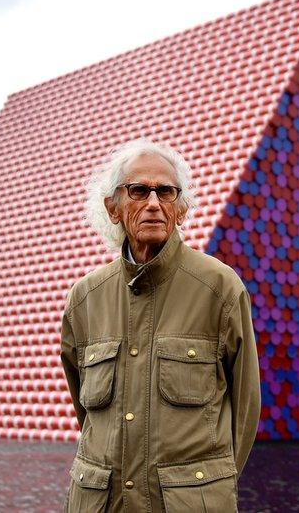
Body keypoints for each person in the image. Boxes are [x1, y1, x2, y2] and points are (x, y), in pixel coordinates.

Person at [60, 138, 261, 512]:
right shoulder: (85, 300)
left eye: (166, 192)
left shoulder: (219, 289)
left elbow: (245, 407)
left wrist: (208, 488)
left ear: (181, 209)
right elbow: (85, 411)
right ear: (113, 207)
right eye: (138, 190)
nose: (153, 203)